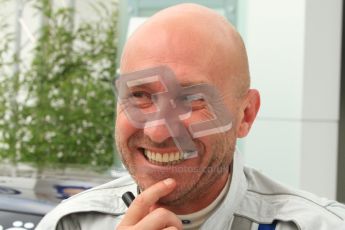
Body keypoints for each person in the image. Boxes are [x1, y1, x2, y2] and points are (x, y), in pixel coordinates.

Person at [37, 3, 345, 230]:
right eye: (140, 96)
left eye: (189, 99)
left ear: (246, 115)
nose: (157, 131)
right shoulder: (69, 224)